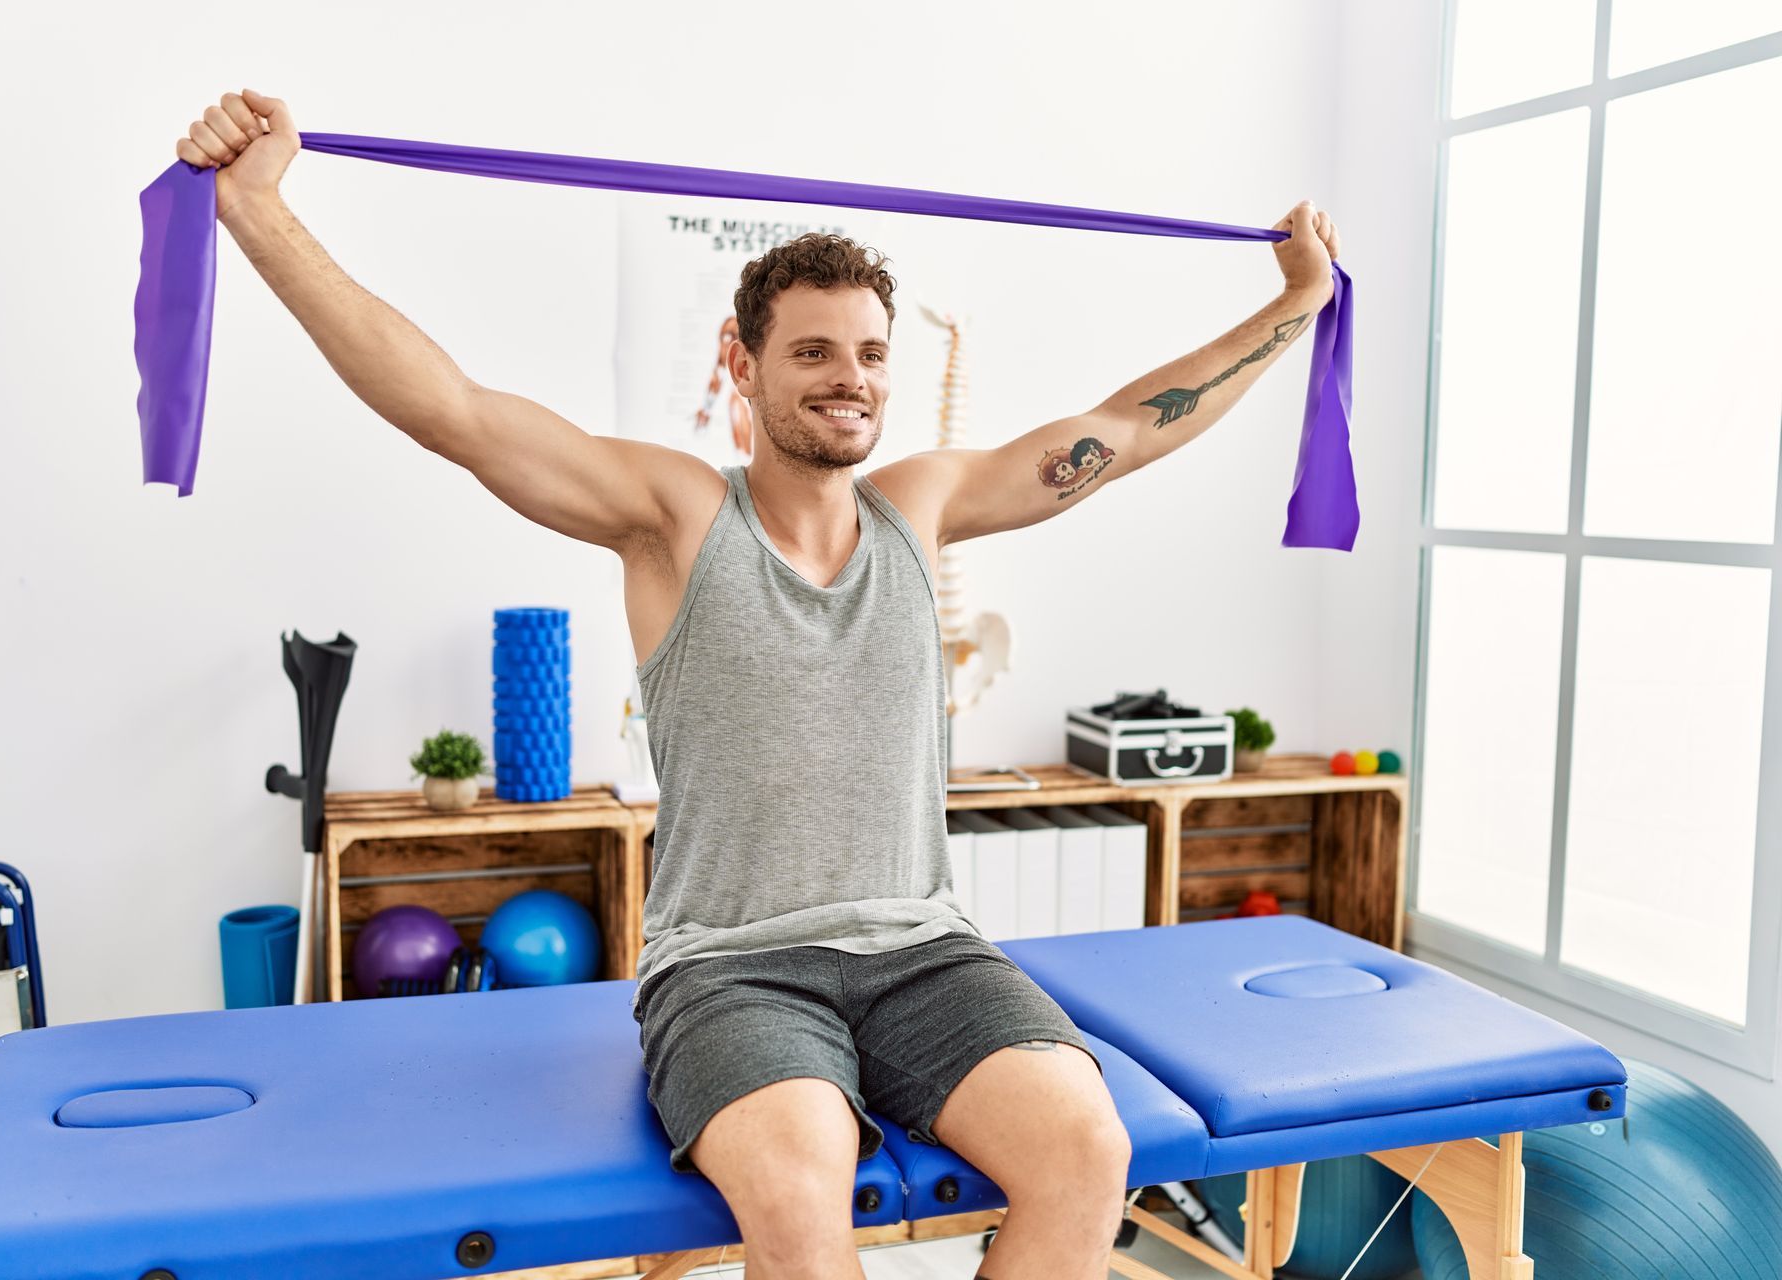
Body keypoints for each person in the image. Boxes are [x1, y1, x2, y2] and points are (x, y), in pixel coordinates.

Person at [177, 89, 1341, 1280]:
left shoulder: (920, 506)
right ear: (744, 360)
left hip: (927, 955)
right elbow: (456, 413)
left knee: (1088, 1147)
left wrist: (1295, 303)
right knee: (798, 1187)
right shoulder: (675, 517)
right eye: (816, 351)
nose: (852, 378)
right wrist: (259, 213)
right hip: (734, 968)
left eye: (872, 354)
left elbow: (1127, 430)